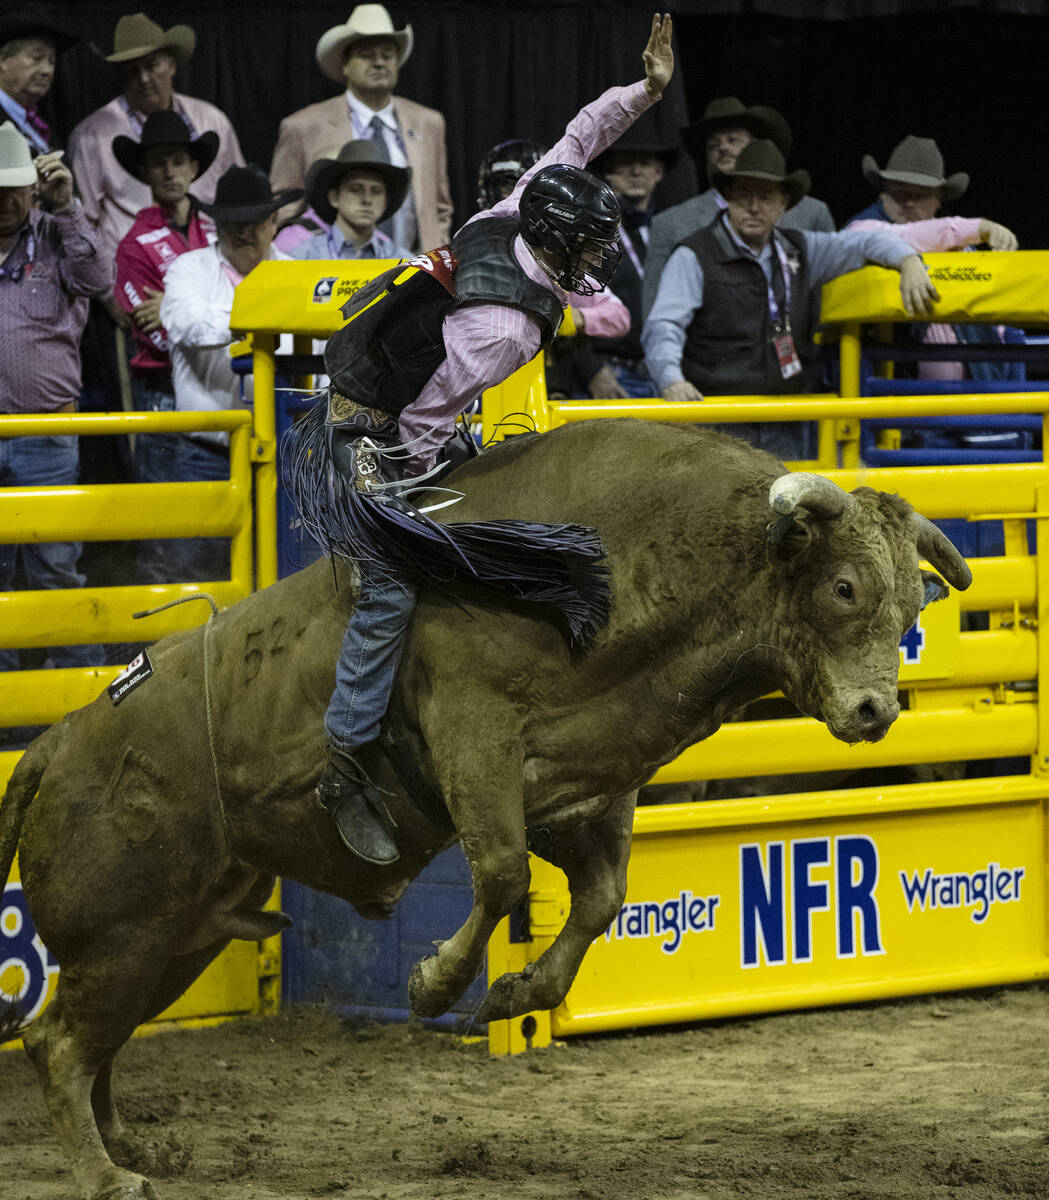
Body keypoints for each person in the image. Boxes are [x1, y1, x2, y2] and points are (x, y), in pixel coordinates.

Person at [285, 14, 676, 866]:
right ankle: (344, 760)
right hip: (366, 430)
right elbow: (423, 412)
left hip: (392, 397)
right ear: (556, 242)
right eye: (588, 247)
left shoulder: (516, 205)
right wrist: (411, 484)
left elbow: (581, 133)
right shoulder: (500, 327)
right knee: (391, 579)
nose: (596, 259)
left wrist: (643, 92)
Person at [641, 139, 937, 461]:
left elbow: (865, 241)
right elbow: (664, 324)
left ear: (783, 204)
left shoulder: (801, 249)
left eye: (766, 196)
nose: (754, 206)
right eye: (744, 195)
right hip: (715, 419)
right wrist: (670, 379)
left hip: (785, 418)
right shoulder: (694, 255)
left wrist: (908, 260)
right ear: (727, 198)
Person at [0, 122, 112, 669]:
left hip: (45, 430)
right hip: (30, 434)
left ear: (34, 186)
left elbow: (97, 278)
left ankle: (78, 702)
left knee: (55, 568)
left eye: (14, 187)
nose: (5, 199)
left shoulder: (56, 232)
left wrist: (68, 206)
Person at [159, 165, 301, 579]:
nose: (243, 232)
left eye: (254, 221)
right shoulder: (189, 268)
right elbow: (185, 324)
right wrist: (265, 315)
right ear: (215, 225)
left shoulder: (294, 273)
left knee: (281, 574)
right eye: (232, 223)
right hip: (206, 452)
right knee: (196, 572)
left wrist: (233, 317)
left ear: (274, 222)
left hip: (281, 452)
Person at [112, 109, 219, 581]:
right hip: (162, 394)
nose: (171, 171)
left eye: (178, 160)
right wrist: (209, 313)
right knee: (166, 527)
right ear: (145, 173)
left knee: (213, 524)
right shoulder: (134, 244)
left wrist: (177, 306)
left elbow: (240, 292)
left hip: (215, 389)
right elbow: (149, 328)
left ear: (194, 167)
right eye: (159, 163)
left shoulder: (219, 227)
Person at [270, 4, 452, 253]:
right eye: (366, 54)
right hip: (331, 268)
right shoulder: (303, 127)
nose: (379, 62)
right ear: (345, 64)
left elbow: (440, 207)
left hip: (415, 271)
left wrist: (436, 253)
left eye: (387, 54)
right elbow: (283, 207)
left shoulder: (429, 123)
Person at [67, 12, 244, 261]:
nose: (143, 79)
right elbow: (84, 226)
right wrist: (113, 295)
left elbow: (240, 197)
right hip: (135, 271)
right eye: (132, 71)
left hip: (216, 263)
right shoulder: (91, 136)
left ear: (172, 65)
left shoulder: (211, 121)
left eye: (151, 66)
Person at [847, 135, 1021, 386]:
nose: (907, 203)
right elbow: (899, 237)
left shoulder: (961, 243)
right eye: (898, 193)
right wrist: (979, 227)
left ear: (938, 200)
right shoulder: (863, 227)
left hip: (977, 398)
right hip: (894, 395)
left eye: (919, 196)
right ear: (883, 192)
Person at [642, 97, 835, 316]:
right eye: (713, 144)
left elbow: (829, 287)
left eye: (733, 140)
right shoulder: (670, 224)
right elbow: (654, 307)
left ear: (759, 146)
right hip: (708, 345)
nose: (722, 147)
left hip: (798, 343)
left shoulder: (812, 213)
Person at [474, 137, 630, 399]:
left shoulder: (559, 258)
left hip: (547, 391)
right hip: (482, 389)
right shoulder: (470, 250)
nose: (519, 196)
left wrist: (578, 319)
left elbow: (619, 316)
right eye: (509, 187)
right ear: (489, 191)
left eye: (526, 186)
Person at [586, 112, 679, 398]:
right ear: (608, 171)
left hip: (667, 375)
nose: (636, 171)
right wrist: (590, 370)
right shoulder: (588, 229)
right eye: (626, 161)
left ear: (659, 172)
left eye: (645, 162)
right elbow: (564, 301)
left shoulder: (674, 230)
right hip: (612, 374)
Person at [291, 140, 412, 261]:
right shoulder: (302, 259)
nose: (367, 199)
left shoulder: (403, 263)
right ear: (334, 197)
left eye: (376, 191)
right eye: (355, 189)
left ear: (385, 202)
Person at [0, 10, 77, 154]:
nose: (47, 71)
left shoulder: (38, 123)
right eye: (36, 58)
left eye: (52, 62)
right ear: (3, 60)